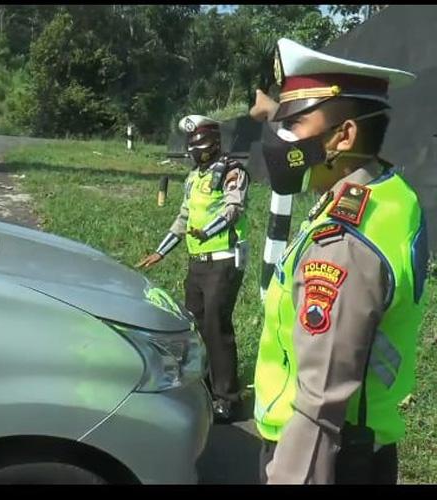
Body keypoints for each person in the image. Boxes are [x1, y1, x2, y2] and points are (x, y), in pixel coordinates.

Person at [251, 38, 428, 484]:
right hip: (359, 443)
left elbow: (319, 401)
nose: (281, 138)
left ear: (343, 136)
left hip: (323, 454)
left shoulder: (343, 242)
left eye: (295, 123)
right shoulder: (386, 195)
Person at [137, 114, 250, 422]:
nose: (195, 152)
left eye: (199, 145)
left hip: (223, 260)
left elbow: (233, 210)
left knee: (216, 326)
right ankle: (202, 387)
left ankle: (227, 397)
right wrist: (161, 252)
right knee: (195, 326)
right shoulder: (193, 177)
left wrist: (208, 231)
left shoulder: (232, 171)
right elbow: (184, 218)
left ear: (213, 144)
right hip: (197, 262)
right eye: (192, 146)